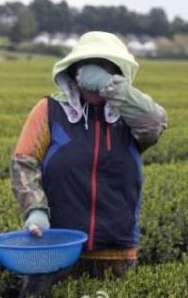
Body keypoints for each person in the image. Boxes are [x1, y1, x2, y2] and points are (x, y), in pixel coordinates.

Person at [10, 31, 168, 297]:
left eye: (105, 67)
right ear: (73, 72)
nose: (94, 80)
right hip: (56, 248)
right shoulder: (50, 111)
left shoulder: (129, 118)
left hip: (116, 252)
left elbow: (155, 124)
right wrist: (35, 209)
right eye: (88, 67)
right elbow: (23, 163)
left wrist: (110, 87)